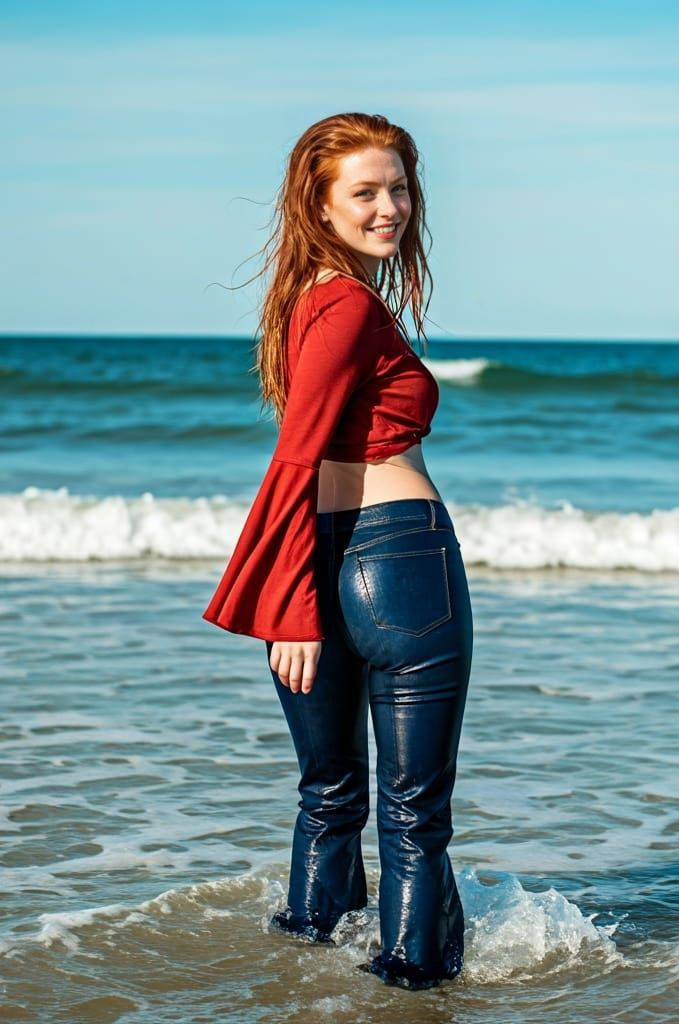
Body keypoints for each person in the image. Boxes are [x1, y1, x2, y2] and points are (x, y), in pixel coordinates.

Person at [202, 112, 473, 991]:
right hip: (401, 565)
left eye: (399, 188)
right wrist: (286, 603)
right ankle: (414, 989)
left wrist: (303, 593)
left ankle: (305, 982)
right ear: (318, 205)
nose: (390, 207)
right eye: (365, 192)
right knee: (412, 814)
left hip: (328, 558)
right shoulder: (349, 303)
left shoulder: (306, 302)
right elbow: (299, 454)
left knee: (329, 800)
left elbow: (302, 455)